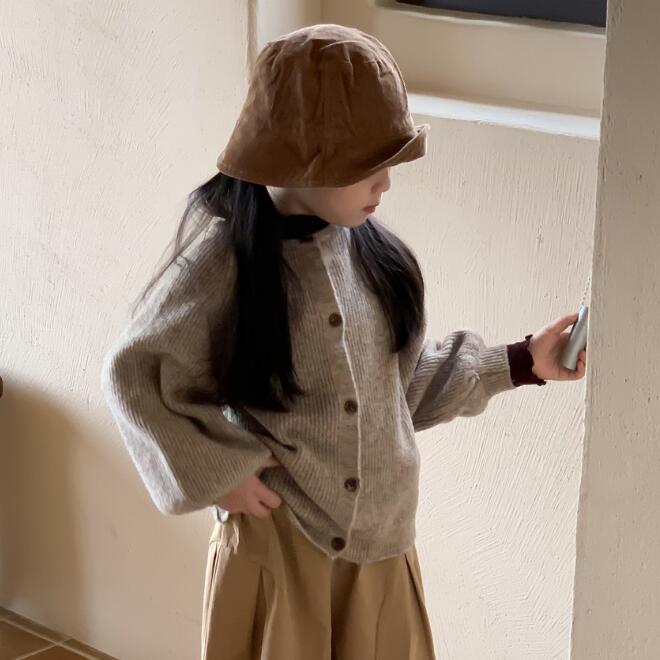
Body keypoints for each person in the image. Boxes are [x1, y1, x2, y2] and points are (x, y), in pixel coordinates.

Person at [100, 23, 587, 660]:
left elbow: (397, 391)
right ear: (298, 158)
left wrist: (522, 362)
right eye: (368, 165)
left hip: (382, 554)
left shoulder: (377, 263)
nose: (385, 183)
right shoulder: (223, 267)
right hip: (280, 547)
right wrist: (218, 474)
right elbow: (136, 374)